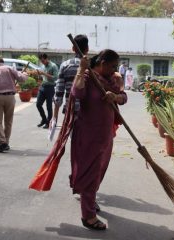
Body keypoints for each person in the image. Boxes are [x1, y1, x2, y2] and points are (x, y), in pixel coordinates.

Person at [71, 49, 127, 230]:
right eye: (112, 66)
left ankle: (90, 200)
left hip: (106, 135)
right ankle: (88, 216)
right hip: (89, 135)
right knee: (91, 174)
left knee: (100, 172)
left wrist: (115, 96)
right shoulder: (87, 77)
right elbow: (76, 93)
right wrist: (81, 70)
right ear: (102, 63)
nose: (114, 70)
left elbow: (124, 97)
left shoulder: (111, 80)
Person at [0, 57, 28, 153]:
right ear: (2, 62)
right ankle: (6, 142)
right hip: (10, 97)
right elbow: (22, 79)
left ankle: (2, 142)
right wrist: (24, 74)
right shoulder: (10, 69)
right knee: (8, 121)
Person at [53, 35, 89, 122]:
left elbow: (59, 93)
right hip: (89, 111)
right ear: (87, 48)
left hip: (71, 110)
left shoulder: (65, 65)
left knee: (73, 135)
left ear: (73, 48)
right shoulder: (92, 66)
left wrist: (54, 118)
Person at [36, 53, 58, 129]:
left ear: (46, 58)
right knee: (38, 104)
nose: (42, 62)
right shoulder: (42, 66)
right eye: (41, 61)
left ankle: (49, 123)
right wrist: (39, 75)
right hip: (42, 87)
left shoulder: (53, 66)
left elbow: (55, 78)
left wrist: (44, 74)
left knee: (49, 106)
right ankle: (44, 119)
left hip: (50, 87)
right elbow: (42, 77)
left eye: (43, 61)